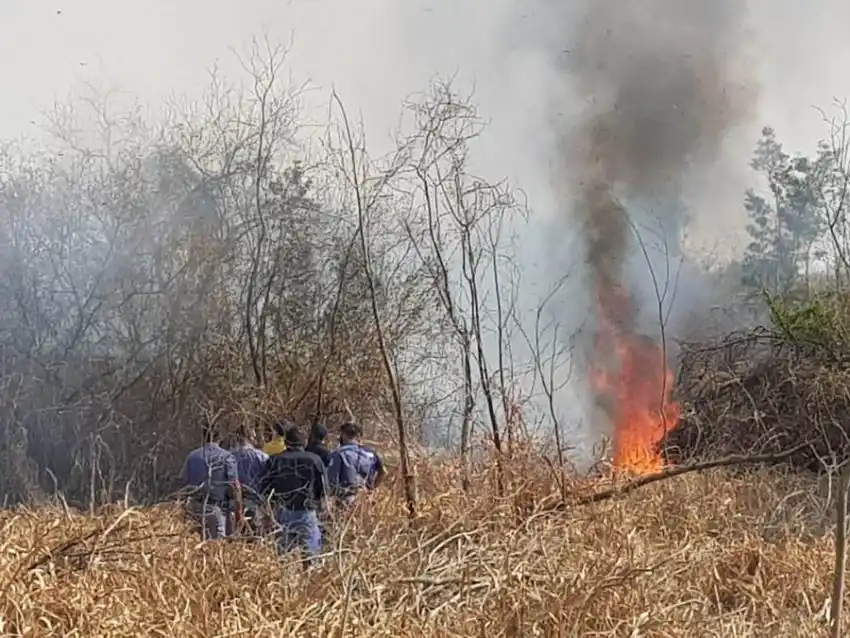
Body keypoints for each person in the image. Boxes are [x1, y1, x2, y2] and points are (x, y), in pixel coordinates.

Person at [259, 425, 327, 565]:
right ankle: (311, 581)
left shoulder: (275, 460)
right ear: (303, 443)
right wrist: (321, 506)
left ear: (286, 442)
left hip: (283, 511)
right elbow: (324, 489)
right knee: (311, 556)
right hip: (307, 511)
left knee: (283, 557)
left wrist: (267, 514)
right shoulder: (314, 459)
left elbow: (265, 489)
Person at [182, 421, 244, 540]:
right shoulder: (226, 457)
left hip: (194, 509)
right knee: (216, 547)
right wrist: (238, 510)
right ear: (219, 437)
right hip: (216, 509)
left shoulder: (192, 456)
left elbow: (184, 483)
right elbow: (234, 485)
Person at [327, 421, 386, 508]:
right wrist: (372, 488)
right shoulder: (371, 453)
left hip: (346, 503)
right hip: (366, 501)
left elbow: (331, 482)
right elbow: (383, 471)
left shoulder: (339, 454)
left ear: (343, 435)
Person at [229, 427, 270, 534]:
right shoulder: (262, 456)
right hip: (256, 499)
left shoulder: (229, 456)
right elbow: (268, 478)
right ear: (250, 438)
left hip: (235, 500)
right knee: (255, 534)